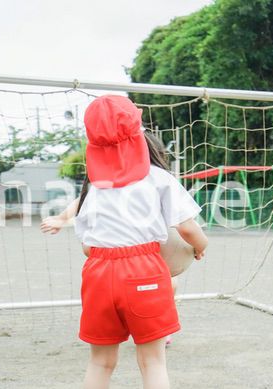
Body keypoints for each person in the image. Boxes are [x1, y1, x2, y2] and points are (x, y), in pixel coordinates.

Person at [40, 95, 207, 389]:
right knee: (153, 362)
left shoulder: (94, 185)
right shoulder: (158, 178)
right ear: (139, 138)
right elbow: (188, 228)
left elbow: (86, 246)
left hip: (98, 272)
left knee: (100, 363)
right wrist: (201, 247)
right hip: (143, 269)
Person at [41, 131, 186, 346]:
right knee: (156, 289)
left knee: (168, 284)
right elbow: (81, 201)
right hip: (120, 253)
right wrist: (62, 219)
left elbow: (184, 221)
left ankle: (157, 328)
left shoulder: (154, 180)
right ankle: (147, 327)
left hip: (145, 251)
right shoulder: (106, 180)